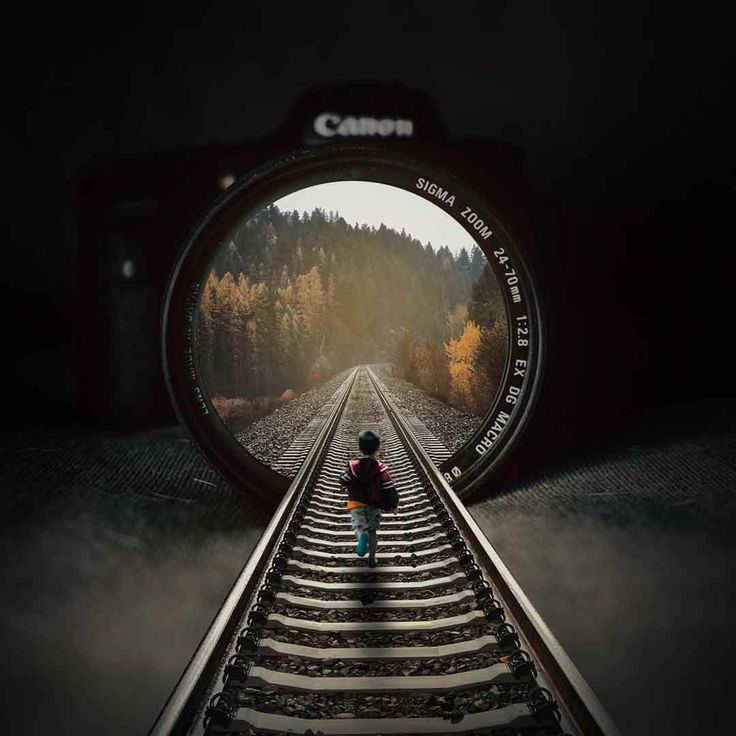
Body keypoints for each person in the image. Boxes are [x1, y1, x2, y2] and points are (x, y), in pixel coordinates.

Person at [338, 429, 396, 568]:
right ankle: (371, 558)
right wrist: (393, 504)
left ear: (359, 448)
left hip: (356, 503)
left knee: (359, 526)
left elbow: (344, 480)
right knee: (372, 531)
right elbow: (388, 487)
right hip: (373, 504)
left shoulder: (353, 467)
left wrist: (341, 477)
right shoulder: (381, 469)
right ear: (378, 448)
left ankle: (361, 537)